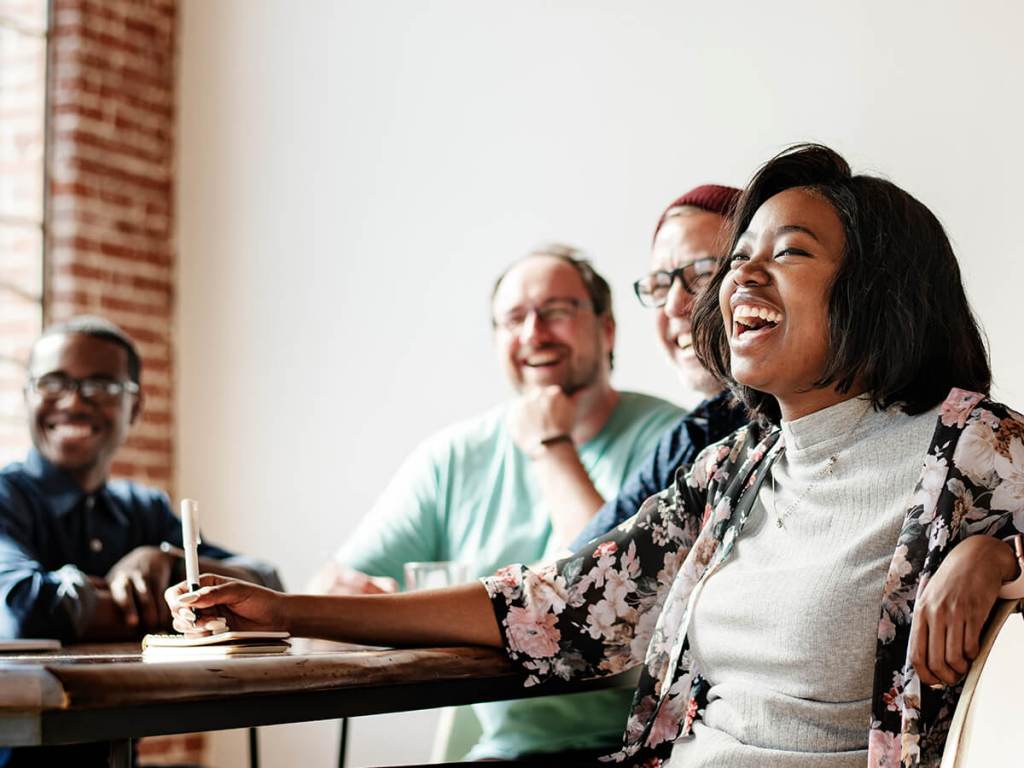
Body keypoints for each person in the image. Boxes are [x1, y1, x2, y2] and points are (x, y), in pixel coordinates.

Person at [166, 144, 1022, 768]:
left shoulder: (969, 445)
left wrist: (1003, 559)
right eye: (741, 258)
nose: (740, 281)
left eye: (789, 254)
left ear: (879, 291)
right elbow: (562, 606)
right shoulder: (736, 469)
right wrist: (287, 610)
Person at [309, 246, 683, 760]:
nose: (533, 332)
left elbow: (603, 597)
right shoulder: (453, 458)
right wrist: (353, 600)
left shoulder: (672, 439)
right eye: (513, 319)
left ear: (608, 329)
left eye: (557, 311)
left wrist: (551, 445)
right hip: (505, 751)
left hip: (642, 749)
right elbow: (334, 592)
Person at [0, 317, 282, 643]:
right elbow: (19, 613)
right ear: (26, 398)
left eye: (102, 386)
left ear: (134, 408)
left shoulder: (145, 508)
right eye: (51, 382)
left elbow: (266, 592)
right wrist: (173, 602)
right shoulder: (8, 498)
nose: (73, 402)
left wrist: (169, 562)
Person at [571, 185, 749, 549]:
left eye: (701, 273)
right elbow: (582, 562)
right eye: (659, 284)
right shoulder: (697, 431)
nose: (673, 305)